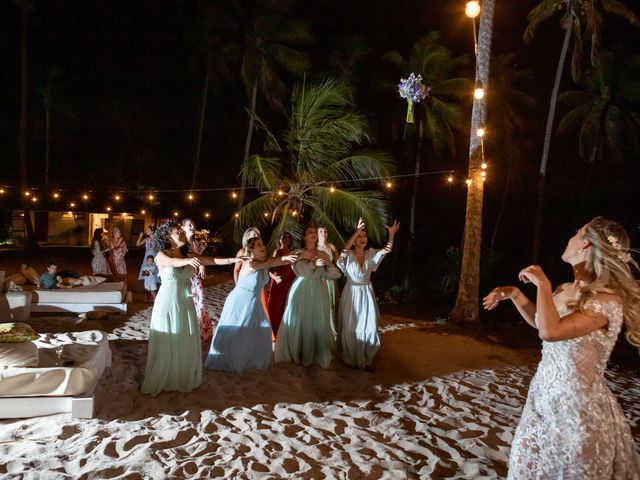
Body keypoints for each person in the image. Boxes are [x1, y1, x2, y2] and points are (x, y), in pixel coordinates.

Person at [482, 217, 640, 479]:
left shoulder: (606, 301)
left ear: (586, 244)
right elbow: (540, 322)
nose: (570, 237)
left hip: (577, 411)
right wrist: (515, 295)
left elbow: (550, 332)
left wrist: (542, 285)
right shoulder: (566, 289)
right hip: (542, 400)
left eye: (577, 232)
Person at [141, 220, 240, 397]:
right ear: (167, 237)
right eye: (177, 231)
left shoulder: (188, 253)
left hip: (186, 303)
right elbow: (172, 262)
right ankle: (167, 376)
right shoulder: (161, 255)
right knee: (169, 339)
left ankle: (181, 375)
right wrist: (188, 260)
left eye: (180, 230)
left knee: (184, 339)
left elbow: (211, 260)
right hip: (167, 303)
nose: (181, 233)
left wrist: (233, 259)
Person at [205, 237, 302, 373]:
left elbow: (269, 263)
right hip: (240, 301)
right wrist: (286, 258)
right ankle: (229, 358)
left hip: (254, 302)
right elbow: (271, 261)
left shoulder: (262, 263)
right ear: (251, 250)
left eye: (262, 243)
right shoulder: (251, 264)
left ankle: (248, 358)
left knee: (261, 329)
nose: (262, 246)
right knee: (236, 331)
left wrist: (296, 255)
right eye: (258, 245)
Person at [274, 225, 341, 368]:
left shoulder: (323, 254)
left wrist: (329, 264)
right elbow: (299, 270)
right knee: (300, 317)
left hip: (319, 289)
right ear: (304, 237)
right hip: (302, 288)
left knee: (317, 319)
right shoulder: (298, 253)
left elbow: (331, 275)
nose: (313, 234)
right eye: (309, 232)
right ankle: (297, 351)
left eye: (314, 232)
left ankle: (316, 353)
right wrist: (312, 264)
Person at [337, 218, 399, 369]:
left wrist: (391, 235)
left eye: (364, 236)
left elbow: (387, 249)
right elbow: (344, 251)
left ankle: (367, 359)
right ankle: (351, 359)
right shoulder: (348, 255)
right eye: (359, 236)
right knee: (351, 326)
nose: (362, 238)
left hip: (366, 293)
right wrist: (357, 231)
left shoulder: (371, 254)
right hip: (351, 293)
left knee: (369, 326)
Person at [182, 218, 213, 347]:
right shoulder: (182, 243)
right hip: (184, 276)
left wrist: (201, 265)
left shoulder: (195, 243)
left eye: (193, 224)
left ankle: (199, 331)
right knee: (187, 302)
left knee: (200, 300)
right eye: (189, 225)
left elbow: (200, 258)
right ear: (183, 227)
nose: (193, 226)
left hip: (194, 277)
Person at [267, 231, 295, 336]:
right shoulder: (277, 251)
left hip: (290, 281)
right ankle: (275, 332)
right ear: (279, 239)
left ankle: (286, 332)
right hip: (279, 282)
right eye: (284, 237)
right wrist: (276, 278)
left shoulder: (293, 251)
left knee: (287, 307)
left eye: (288, 237)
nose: (286, 239)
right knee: (276, 307)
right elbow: (270, 268)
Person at [317, 226, 340, 338]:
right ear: (317, 234)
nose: (323, 233)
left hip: (330, 278)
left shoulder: (331, 246)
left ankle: (333, 331)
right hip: (319, 278)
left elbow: (339, 262)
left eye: (325, 231)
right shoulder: (315, 247)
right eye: (321, 231)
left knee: (332, 303)